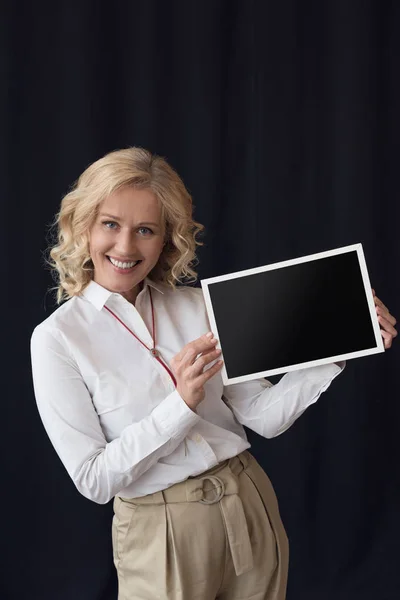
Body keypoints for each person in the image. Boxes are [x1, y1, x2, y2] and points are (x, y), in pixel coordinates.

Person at [30, 147, 397, 600]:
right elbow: (94, 479)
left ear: (167, 239)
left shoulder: (196, 305)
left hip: (248, 503)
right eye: (110, 224)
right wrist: (180, 404)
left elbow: (264, 417)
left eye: (145, 230)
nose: (125, 247)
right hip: (159, 531)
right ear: (82, 225)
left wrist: (340, 349)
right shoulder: (57, 339)